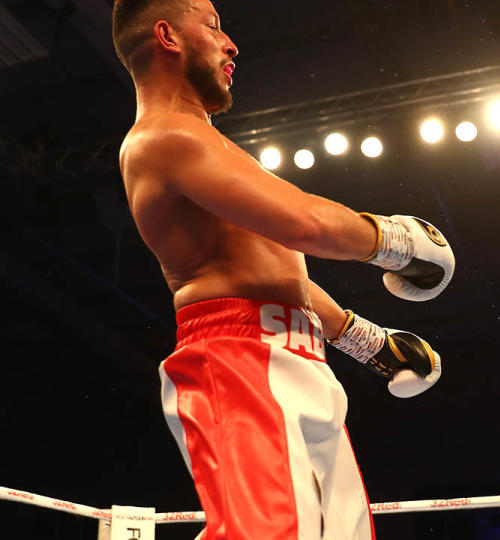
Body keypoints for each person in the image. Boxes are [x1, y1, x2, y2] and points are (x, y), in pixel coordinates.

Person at [111, 1, 454, 538]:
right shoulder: (164, 137)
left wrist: (366, 340)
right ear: (167, 36)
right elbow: (305, 224)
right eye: (213, 26)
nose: (231, 44)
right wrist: (398, 241)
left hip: (297, 357)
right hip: (235, 358)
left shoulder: (209, 145)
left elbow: (274, 268)